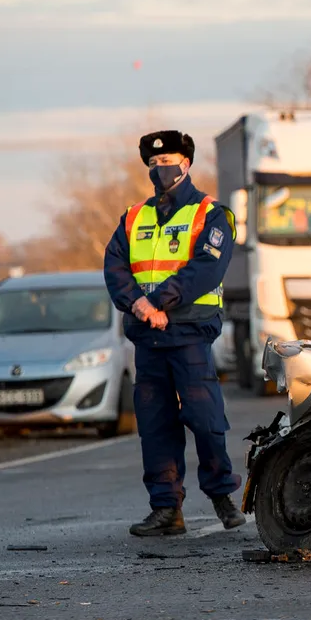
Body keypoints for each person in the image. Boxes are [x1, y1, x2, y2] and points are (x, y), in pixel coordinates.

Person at [102, 130, 246, 537]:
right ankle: (167, 510)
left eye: (168, 162)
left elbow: (206, 268)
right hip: (148, 336)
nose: (160, 169)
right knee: (155, 425)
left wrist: (162, 302)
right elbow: (115, 267)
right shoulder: (133, 218)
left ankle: (222, 497)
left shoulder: (212, 214)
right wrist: (140, 305)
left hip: (189, 335)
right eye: (153, 164)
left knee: (205, 419)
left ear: (186, 164)